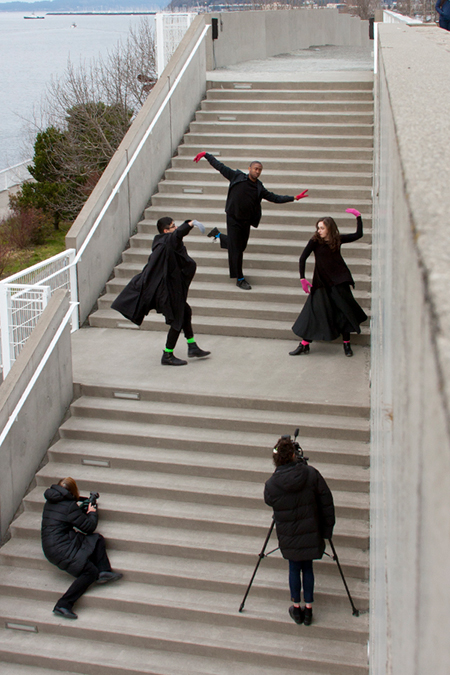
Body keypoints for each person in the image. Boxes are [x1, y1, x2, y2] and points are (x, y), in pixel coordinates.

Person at [193, 152, 308, 290]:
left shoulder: (259, 187)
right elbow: (220, 166)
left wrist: (294, 197)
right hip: (233, 219)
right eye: (255, 168)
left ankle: (217, 235)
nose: (257, 171)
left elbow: (274, 198)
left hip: (246, 222)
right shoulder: (236, 176)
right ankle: (239, 278)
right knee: (237, 251)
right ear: (249, 169)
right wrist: (206, 155)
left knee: (240, 247)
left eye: (260, 169)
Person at [111, 217, 210, 366]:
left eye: (175, 226)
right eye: (172, 226)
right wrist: (189, 225)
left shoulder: (165, 242)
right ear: (165, 231)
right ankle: (168, 355)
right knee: (178, 319)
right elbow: (177, 236)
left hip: (170, 287)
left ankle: (192, 345)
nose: (175, 228)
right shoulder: (166, 242)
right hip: (166, 291)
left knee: (186, 311)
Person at [264, 436, 335, 626]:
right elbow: (327, 501)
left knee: (294, 568)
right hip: (311, 533)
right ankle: (309, 610)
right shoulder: (311, 474)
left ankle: (296, 609)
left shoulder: (272, 484)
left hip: (289, 537)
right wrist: (327, 530)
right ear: (294, 455)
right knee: (308, 568)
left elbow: (269, 500)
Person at [289, 208, 368, 358]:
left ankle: (346, 344)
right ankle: (304, 345)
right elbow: (302, 258)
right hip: (321, 283)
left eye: (322, 228)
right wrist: (302, 278)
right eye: (318, 228)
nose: (319, 231)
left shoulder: (337, 239)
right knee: (314, 312)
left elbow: (358, 235)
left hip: (339, 281)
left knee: (343, 311)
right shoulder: (314, 241)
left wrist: (358, 217)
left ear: (329, 229)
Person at [41, 477, 122, 620]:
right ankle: (63, 604)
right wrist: (91, 512)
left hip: (51, 546)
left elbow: (66, 516)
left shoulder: (51, 501)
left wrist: (79, 510)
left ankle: (104, 571)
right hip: (61, 548)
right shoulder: (69, 506)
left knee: (97, 539)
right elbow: (89, 527)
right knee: (90, 572)